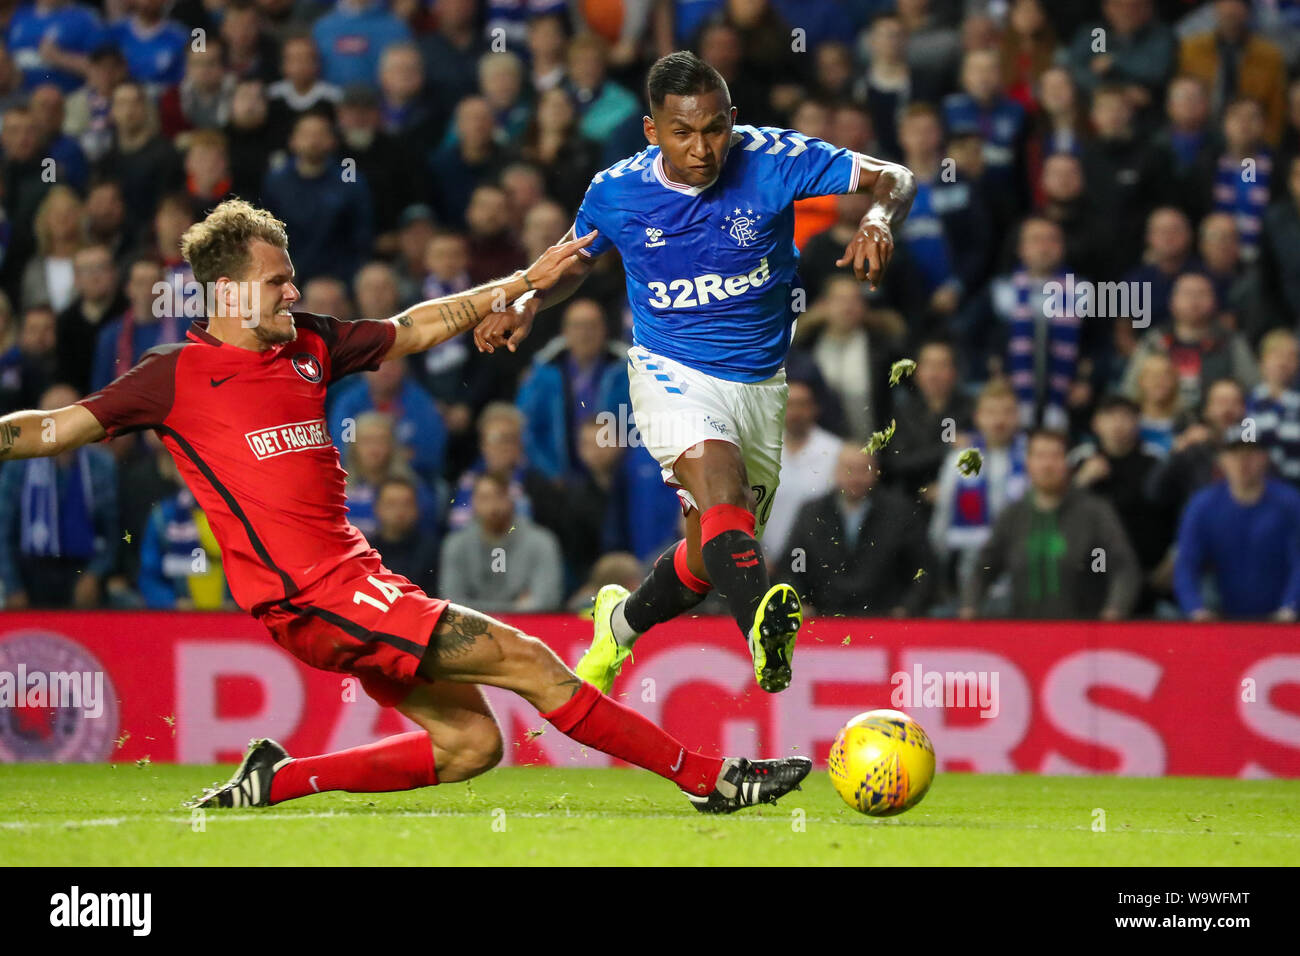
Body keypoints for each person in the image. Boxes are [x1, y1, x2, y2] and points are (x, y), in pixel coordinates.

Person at [0, 198, 810, 813]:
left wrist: (524, 282)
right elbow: (50, 429)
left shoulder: (310, 343)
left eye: (290, 276)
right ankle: (713, 780)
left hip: (356, 581)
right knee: (530, 663)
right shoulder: (171, 377)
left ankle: (275, 781)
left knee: (469, 745)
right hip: (312, 595)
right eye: (275, 279)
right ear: (223, 292)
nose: (292, 289)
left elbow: (417, 327)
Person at [475, 51, 915, 695]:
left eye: (714, 129)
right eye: (683, 132)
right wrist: (531, 301)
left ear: (733, 120)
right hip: (669, 370)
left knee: (709, 556)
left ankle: (618, 623)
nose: (703, 148)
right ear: (652, 130)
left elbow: (895, 177)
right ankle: (762, 630)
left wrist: (878, 219)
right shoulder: (616, 190)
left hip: (760, 385)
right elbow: (576, 259)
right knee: (720, 485)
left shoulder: (773, 159)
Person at [961, 428, 1141, 620]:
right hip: (1023, 631)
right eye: (1039, 456)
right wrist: (970, 606)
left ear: (1067, 463)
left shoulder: (1095, 512)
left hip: (1084, 634)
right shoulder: (1013, 515)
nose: (1047, 465)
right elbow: (984, 567)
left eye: (1055, 456)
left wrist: (1115, 609)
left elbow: (1123, 567)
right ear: (1028, 463)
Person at [783, 445, 936, 618]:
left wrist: (907, 608)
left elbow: (923, 568)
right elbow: (790, 567)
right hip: (824, 619)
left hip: (884, 619)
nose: (855, 478)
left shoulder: (901, 513)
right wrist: (799, 604)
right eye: (849, 469)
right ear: (835, 472)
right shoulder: (811, 513)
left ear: (876, 472)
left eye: (863, 470)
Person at [1174, 425, 1300, 621]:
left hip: (1285, 619)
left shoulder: (1290, 503)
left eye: (1250, 454)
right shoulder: (1203, 505)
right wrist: (1196, 610)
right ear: (1221, 460)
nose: (1243, 462)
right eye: (1234, 454)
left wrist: (1290, 607)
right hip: (1223, 616)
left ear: (1264, 458)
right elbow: (1187, 563)